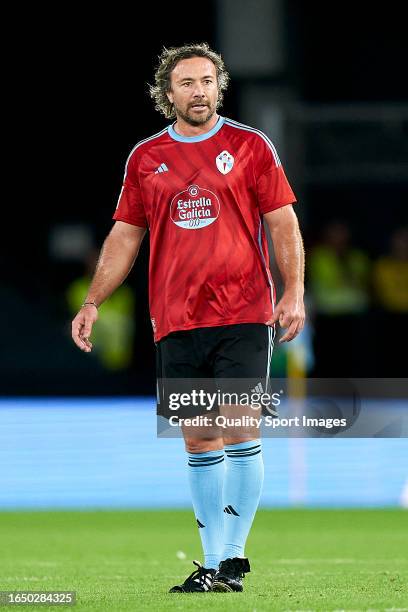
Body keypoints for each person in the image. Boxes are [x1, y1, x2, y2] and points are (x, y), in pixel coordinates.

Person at [71, 43, 305, 593]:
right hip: (175, 320)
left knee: (241, 426)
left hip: (244, 313)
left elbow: (283, 223)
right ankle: (210, 563)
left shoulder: (249, 146)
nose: (198, 91)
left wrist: (293, 291)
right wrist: (92, 301)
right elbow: (124, 237)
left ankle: (232, 560)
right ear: (167, 93)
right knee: (200, 441)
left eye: (206, 81)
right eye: (186, 83)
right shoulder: (145, 158)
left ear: (218, 87)